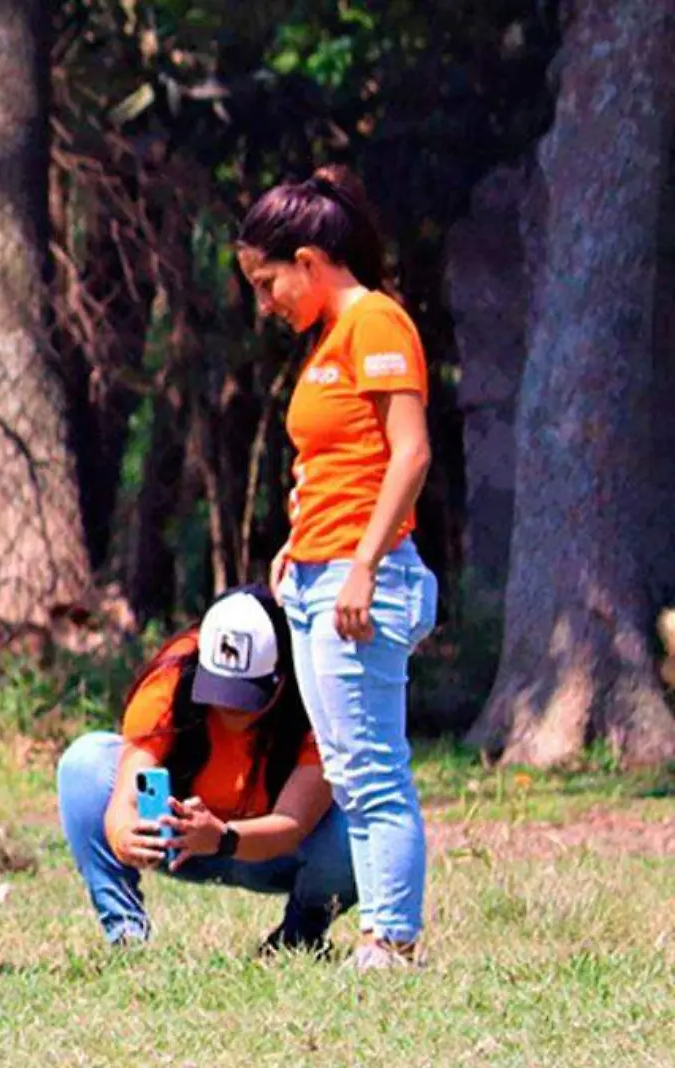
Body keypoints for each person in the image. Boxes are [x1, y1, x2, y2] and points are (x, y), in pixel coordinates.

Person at [236, 164, 438, 969]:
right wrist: (299, 539)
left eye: (268, 282)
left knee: (372, 767)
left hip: (367, 580)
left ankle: (390, 937)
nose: (265, 302)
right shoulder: (328, 342)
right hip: (318, 577)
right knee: (349, 770)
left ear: (311, 261)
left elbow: (410, 453)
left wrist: (360, 564)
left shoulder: (377, 324)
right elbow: (336, 459)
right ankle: (384, 931)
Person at [57, 586, 357, 953]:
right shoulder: (171, 676)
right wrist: (123, 834)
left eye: (248, 694)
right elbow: (124, 794)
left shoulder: (317, 694)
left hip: (272, 852)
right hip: (180, 844)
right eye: (218, 688)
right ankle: (125, 933)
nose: (229, 707)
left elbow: (293, 823)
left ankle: (299, 935)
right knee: (84, 762)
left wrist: (223, 837)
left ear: (282, 678)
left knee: (357, 829)